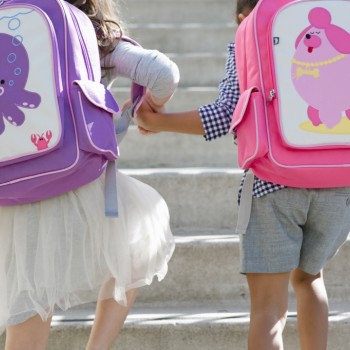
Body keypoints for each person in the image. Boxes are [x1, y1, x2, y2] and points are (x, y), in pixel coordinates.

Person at [134, 0, 350, 349]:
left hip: (273, 182)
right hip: (339, 181)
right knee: (310, 278)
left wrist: (155, 121)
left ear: (243, 17)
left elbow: (226, 114)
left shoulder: (250, 35)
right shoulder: (335, 29)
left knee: (268, 310)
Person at [0, 0, 179, 349]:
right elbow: (163, 74)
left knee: (29, 299)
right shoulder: (97, 36)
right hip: (69, 178)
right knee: (141, 236)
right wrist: (146, 110)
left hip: (7, 184)